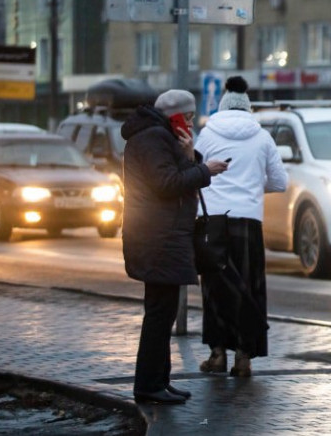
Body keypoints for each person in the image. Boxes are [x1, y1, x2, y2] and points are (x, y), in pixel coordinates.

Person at [121, 89, 229, 405]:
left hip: (162, 236)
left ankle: (159, 381)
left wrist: (189, 153)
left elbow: (175, 174)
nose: (193, 123)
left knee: (163, 312)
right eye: (190, 117)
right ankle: (148, 384)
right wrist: (205, 169)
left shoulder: (159, 136)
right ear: (176, 115)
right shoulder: (152, 137)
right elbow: (166, 184)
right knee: (158, 314)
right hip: (158, 238)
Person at [193, 76, 287, 378]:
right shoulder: (262, 137)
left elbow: (194, 173)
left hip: (213, 220)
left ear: (222, 105)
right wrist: (252, 186)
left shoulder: (206, 136)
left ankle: (217, 355)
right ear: (248, 106)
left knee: (214, 287)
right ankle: (244, 358)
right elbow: (280, 182)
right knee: (249, 287)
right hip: (248, 221)